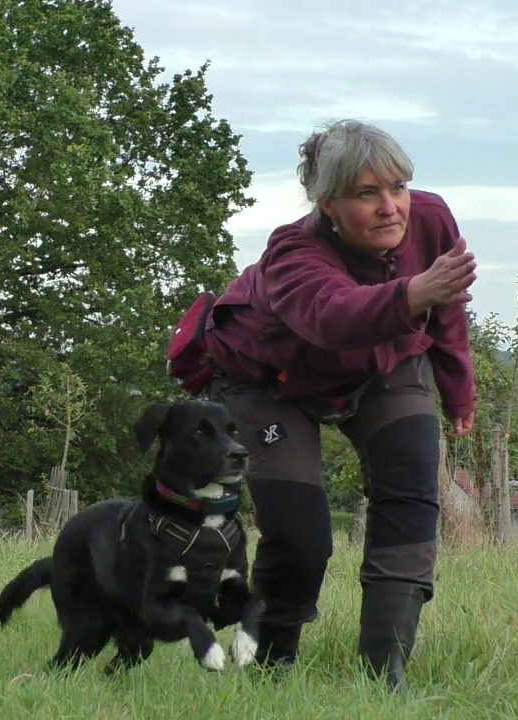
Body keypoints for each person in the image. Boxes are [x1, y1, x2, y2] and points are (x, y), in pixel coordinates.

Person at [198, 119, 478, 691]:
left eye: (397, 187)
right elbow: (330, 316)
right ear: (327, 203)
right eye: (366, 194)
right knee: (302, 535)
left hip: (386, 364)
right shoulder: (292, 251)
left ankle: (385, 674)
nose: (390, 208)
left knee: (411, 497)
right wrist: (415, 292)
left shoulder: (431, 217)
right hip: (269, 383)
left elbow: (447, 313)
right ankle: (271, 667)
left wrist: (459, 395)